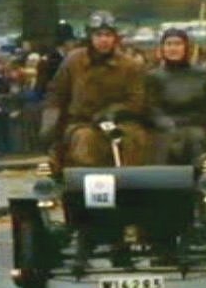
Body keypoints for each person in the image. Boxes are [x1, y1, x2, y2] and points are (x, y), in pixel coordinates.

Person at [39, 10, 151, 169]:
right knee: (85, 140)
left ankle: (130, 186)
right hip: (82, 122)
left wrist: (113, 112)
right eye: (98, 35)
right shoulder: (73, 61)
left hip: (120, 122)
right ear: (90, 37)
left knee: (133, 139)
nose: (103, 40)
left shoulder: (129, 65)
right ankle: (85, 186)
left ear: (115, 38)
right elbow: (56, 94)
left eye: (108, 35)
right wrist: (49, 122)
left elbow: (136, 99)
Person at [144, 28, 206, 166]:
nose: (173, 48)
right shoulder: (153, 77)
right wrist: (163, 122)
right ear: (162, 48)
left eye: (178, 44)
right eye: (169, 44)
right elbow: (149, 107)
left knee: (196, 138)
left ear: (186, 47)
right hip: (167, 130)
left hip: (200, 129)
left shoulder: (202, 75)